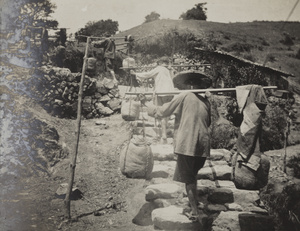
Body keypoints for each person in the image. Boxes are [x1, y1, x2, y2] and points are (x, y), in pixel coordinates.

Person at [147, 85, 211, 223]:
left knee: (188, 179)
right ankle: (194, 203)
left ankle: (194, 213)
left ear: (190, 85)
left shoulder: (185, 95)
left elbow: (164, 111)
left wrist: (149, 106)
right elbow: (209, 121)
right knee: (193, 175)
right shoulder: (206, 101)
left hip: (188, 144)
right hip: (203, 145)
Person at [130, 57, 175, 144]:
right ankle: (165, 131)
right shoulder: (169, 70)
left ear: (160, 63)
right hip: (170, 92)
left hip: (161, 93)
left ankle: (163, 135)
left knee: (161, 113)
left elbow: (147, 74)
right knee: (167, 112)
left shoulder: (159, 68)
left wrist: (135, 74)